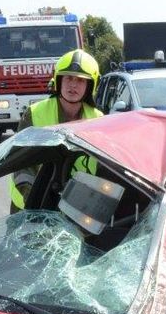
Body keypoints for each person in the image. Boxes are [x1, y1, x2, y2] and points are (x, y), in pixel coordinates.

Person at [9, 49, 104, 211]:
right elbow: (20, 163)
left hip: (77, 208)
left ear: (91, 85)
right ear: (58, 80)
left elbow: (104, 167)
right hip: (30, 204)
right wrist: (33, 198)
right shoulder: (34, 113)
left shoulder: (99, 119)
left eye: (81, 80)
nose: (73, 85)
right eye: (68, 78)